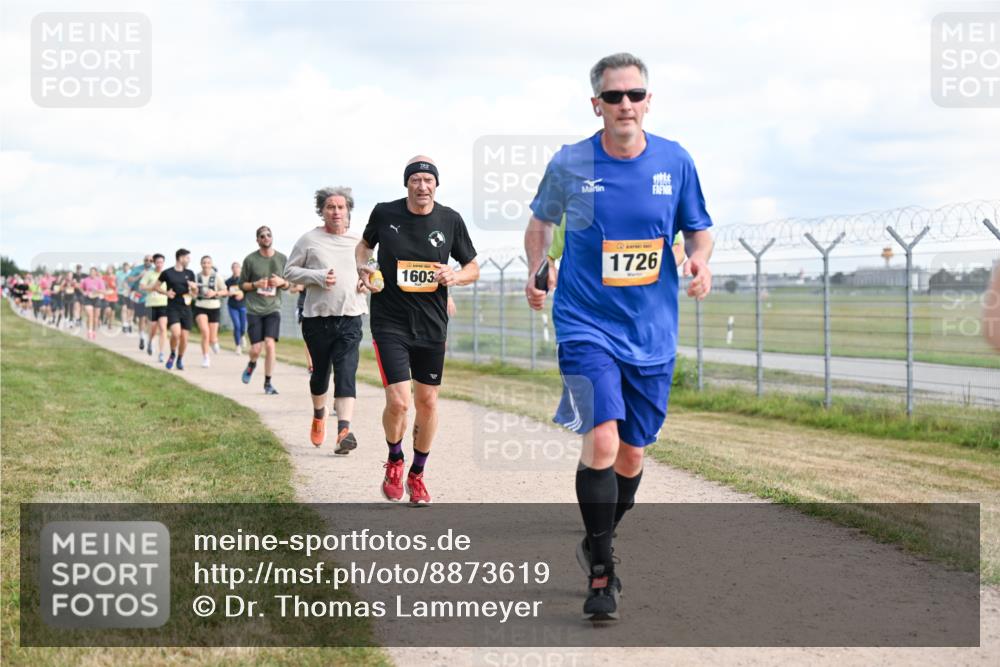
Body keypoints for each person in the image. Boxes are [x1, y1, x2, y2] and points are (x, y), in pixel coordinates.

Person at [524, 53, 714, 621]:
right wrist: (540, 265)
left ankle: (595, 536)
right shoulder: (570, 162)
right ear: (596, 105)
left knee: (632, 452)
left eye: (634, 95)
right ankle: (603, 571)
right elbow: (541, 225)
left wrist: (700, 263)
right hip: (585, 322)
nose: (625, 105)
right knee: (602, 441)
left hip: (652, 331)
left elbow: (698, 231)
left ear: (648, 101)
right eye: (613, 97)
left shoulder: (675, 160)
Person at [357, 156, 479, 506]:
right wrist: (364, 267)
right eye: (416, 180)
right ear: (407, 184)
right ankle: (395, 460)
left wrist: (456, 275)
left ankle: (417, 474)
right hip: (389, 320)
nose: (422, 186)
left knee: (427, 402)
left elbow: (473, 266)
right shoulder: (385, 213)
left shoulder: (450, 220)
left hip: (431, 323)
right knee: (399, 401)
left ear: (436, 185)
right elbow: (365, 246)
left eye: (428, 180)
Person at [286, 186, 369, 453]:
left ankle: (343, 431)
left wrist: (365, 282)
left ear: (348, 210)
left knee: (346, 373)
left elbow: (372, 270)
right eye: (330, 207)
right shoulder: (309, 240)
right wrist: (317, 276)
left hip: (351, 317)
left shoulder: (360, 241)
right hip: (317, 319)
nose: (336, 211)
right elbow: (290, 272)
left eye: (341, 207)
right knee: (321, 375)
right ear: (322, 211)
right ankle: (319, 414)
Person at [240, 226, 289, 394]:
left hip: (273, 308)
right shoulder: (250, 260)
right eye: (262, 236)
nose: (266, 238)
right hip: (254, 308)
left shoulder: (282, 258)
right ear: (257, 240)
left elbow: (290, 283)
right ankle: (252, 363)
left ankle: (268, 383)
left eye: (268, 235)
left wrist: (281, 283)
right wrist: (256, 284)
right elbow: (242, 285)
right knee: (256, 349)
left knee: (269, 345)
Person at [156, 249, 198, 370]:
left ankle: (179, 359)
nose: (189, 260)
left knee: (184, 337)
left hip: (187, 307)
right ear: (180, 258)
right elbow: (156, 287)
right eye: (187, 258)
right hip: (173, 307)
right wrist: (166, 292)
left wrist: (194, 288)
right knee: (176, 333)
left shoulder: (190, 273)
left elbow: (194, 294)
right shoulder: (167, 273)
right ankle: (173, 353)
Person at [193, 255, 227, 367]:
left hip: (214, 307)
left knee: (212, 337)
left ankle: (214, 342)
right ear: (201, 264)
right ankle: (206, 357)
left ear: (211, 264)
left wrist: (215, 293)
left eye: (208, 263)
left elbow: (225, 291)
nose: (206, 265)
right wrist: (193, 291)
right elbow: (192, 293)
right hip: (200, 306)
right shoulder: (197, 277)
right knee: (205, 332)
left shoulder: (217, 277)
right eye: (204, 263)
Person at [141, 254, 169, 362]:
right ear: (154, 263)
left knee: (163, 327)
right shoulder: (149, 274)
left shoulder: (166, 274)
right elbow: (142, 287)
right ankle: (150, 342)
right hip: (151, 304)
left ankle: (161, 353)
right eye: (157, 262)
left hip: (163, 304)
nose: (159, 264)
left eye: (161, 262)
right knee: (153, 328)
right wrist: (152, 287)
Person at [224, 261, 247, 353]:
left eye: (237, 267)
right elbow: (224, 292)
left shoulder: (244, 280)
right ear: (232, 269)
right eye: (234, 267)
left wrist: (242, 294)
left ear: (240, 269)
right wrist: (228, 293)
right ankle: (237, 346)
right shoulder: (228, 281)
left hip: (243, 306)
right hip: (232, 306)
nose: (236, 269)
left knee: (242, 326)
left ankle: (242, 336)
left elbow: (249, 291)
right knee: (236, 325)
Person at [80, 267, 106, 340]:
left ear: (96, 273)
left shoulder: (99, 280)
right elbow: (81, 287)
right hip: (88, 299)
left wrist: (97, 290)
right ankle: (89, 331)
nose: (91, 273)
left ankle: (94, 331)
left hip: (97, 299)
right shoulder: (86, 280)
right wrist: (84, 292)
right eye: (90, 272)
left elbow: (103, 291)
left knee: (96, 317)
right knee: (90, 316)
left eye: (93, 272)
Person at [117, 261, 133, 333]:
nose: (126, 268)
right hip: (121, 293)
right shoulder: (118, 273)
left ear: (129, 267)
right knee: (124, 308)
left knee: (130, 310)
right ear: (123, 267)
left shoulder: (132, 273)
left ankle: (129, 323)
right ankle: (124, 325)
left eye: (127, 267)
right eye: (124, 266)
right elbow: (115, 282)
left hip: (130, 294)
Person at [102, 265, 118, 331]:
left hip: (113, 296)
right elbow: (101, 285)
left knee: (113, 311)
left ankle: (110, 324)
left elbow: (118, 285)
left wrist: (115, 285)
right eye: (107, 269)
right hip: (106, 295)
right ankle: (106, 318)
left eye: (110, 269)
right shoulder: (103, 277)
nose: (109, 270)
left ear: (112, 270)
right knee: (107, 309)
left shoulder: (115, 277)